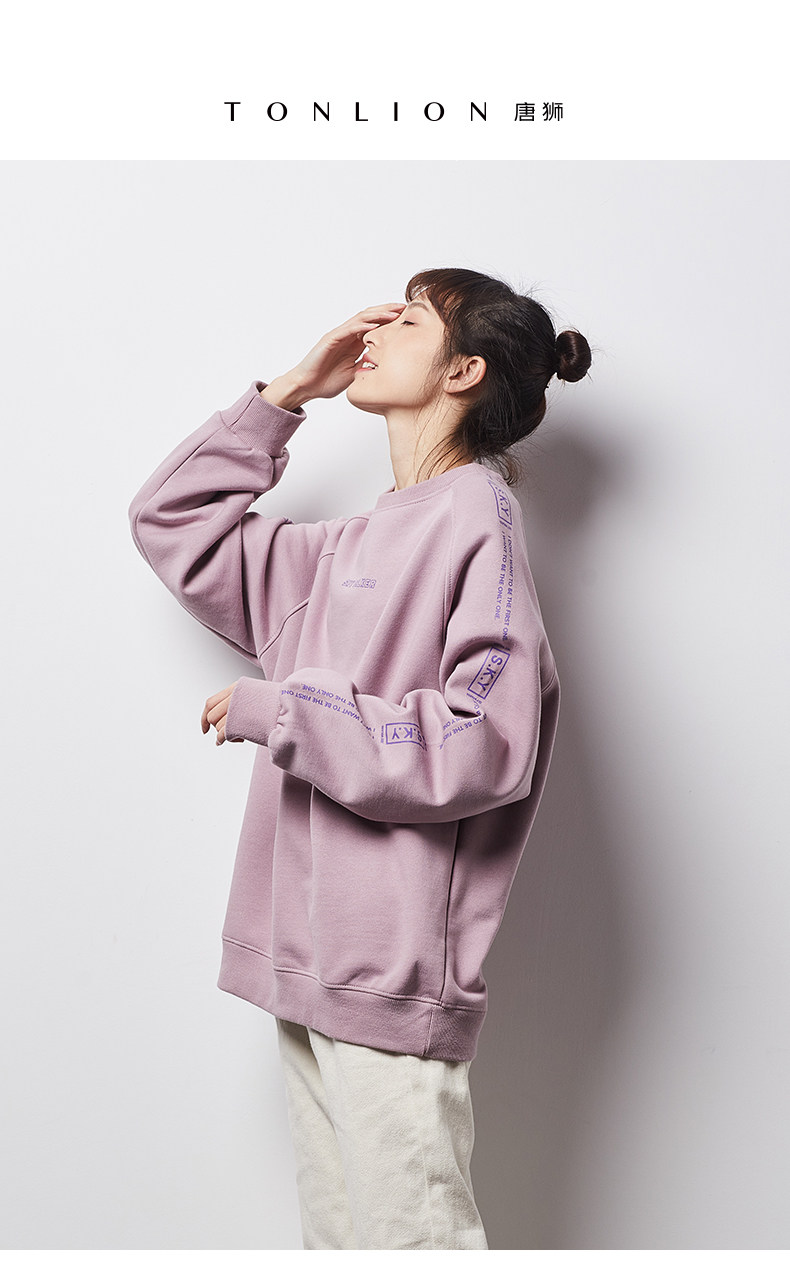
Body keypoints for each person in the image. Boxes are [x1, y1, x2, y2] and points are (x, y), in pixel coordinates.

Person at [128, 266, 592, 1250]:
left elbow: (483, 741)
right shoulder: (345, 548)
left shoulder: (476, 518)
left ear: (464, 370)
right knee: (343, 1248)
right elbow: (169, 522)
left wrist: (288, 710)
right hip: (306, 960)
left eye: (408, 319)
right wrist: (287, 393)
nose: (372, 332)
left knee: (415, 1247)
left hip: (389, 971)